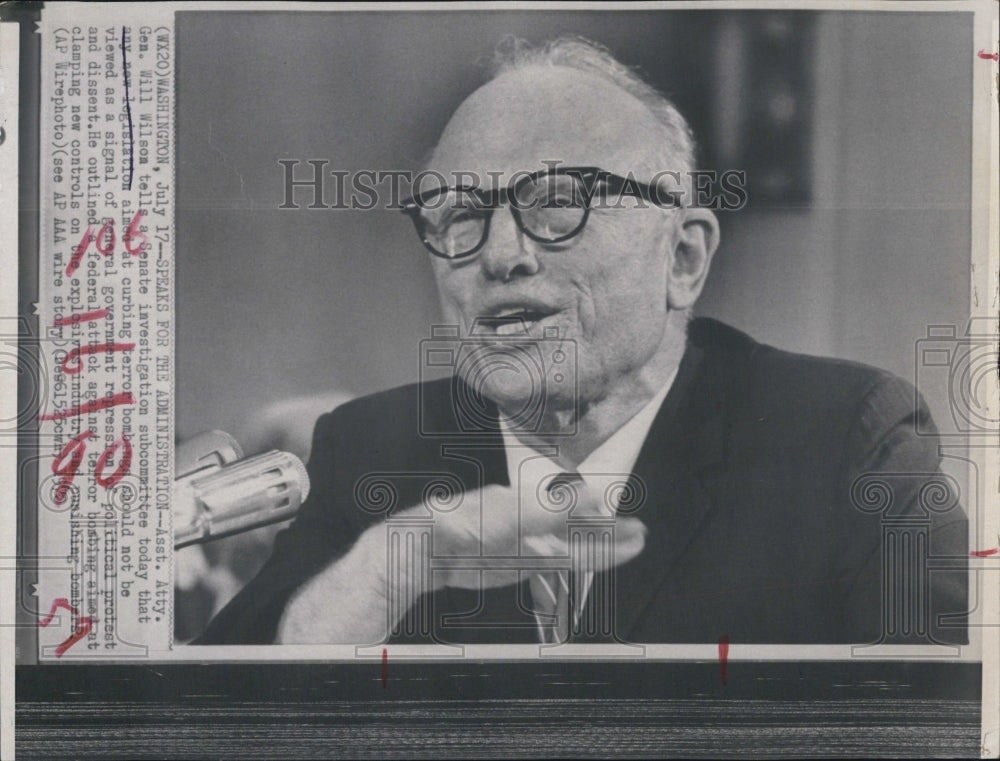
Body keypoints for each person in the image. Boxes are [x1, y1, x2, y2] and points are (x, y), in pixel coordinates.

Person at [198, 37, 968, 646]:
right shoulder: (373, 447)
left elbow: (947, 721)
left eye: (558, 201)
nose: (501, 255)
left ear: (684, 257)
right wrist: (379, 578)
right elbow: (208, 729)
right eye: (461, 215)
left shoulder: (844, 436)